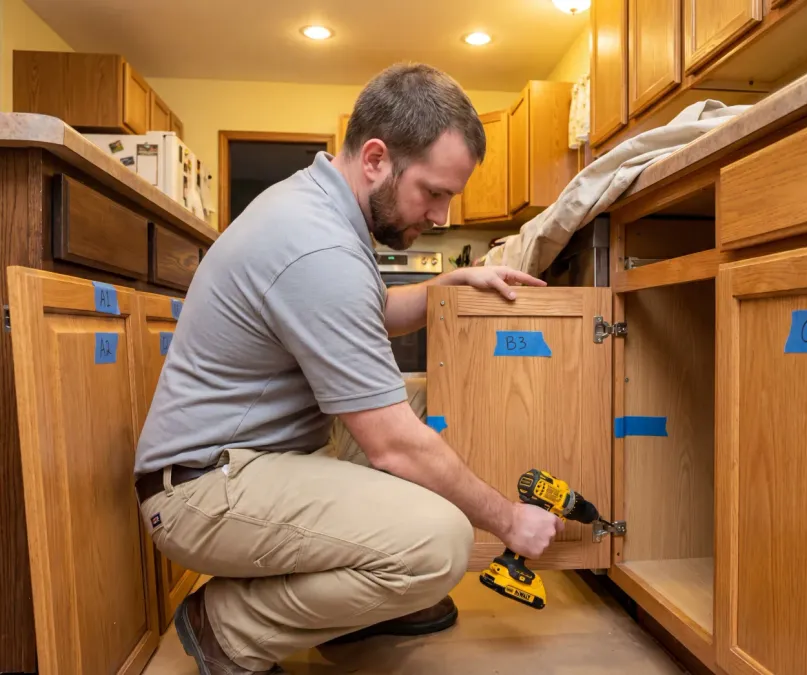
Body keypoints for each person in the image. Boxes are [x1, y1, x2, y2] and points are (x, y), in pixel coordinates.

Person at [133, 62, 564, 674]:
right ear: (375, 159)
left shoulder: (324, 209)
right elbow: (394, 448)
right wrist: (509, 520)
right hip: (202, 490)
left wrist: (449, 283)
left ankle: (350, 605)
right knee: (441, 541)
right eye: (434, 193)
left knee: (420, 399)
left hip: (249, 460)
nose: (441, 216)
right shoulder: (319, 247)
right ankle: (229, 628)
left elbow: (370, 313)